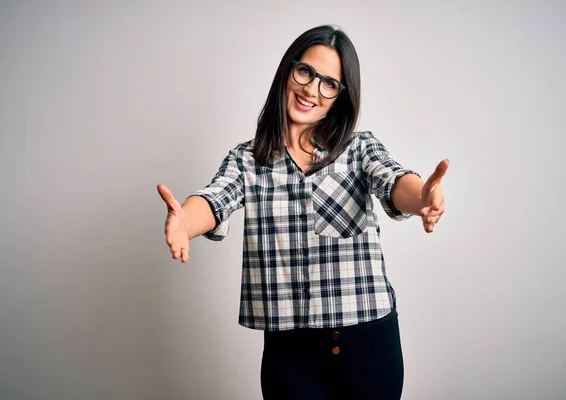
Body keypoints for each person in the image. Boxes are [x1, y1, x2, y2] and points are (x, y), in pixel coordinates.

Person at [157, 25, 448, 400]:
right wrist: (184, 222)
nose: (312, 89)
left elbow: (394, 182)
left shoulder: (359, 150)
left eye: (329, 83)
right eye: (306, 72)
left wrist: (422, 195)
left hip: (369, 343)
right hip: (289, 353)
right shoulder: (248, 160)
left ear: (340, 97)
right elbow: (216, 199)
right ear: (288, 71)